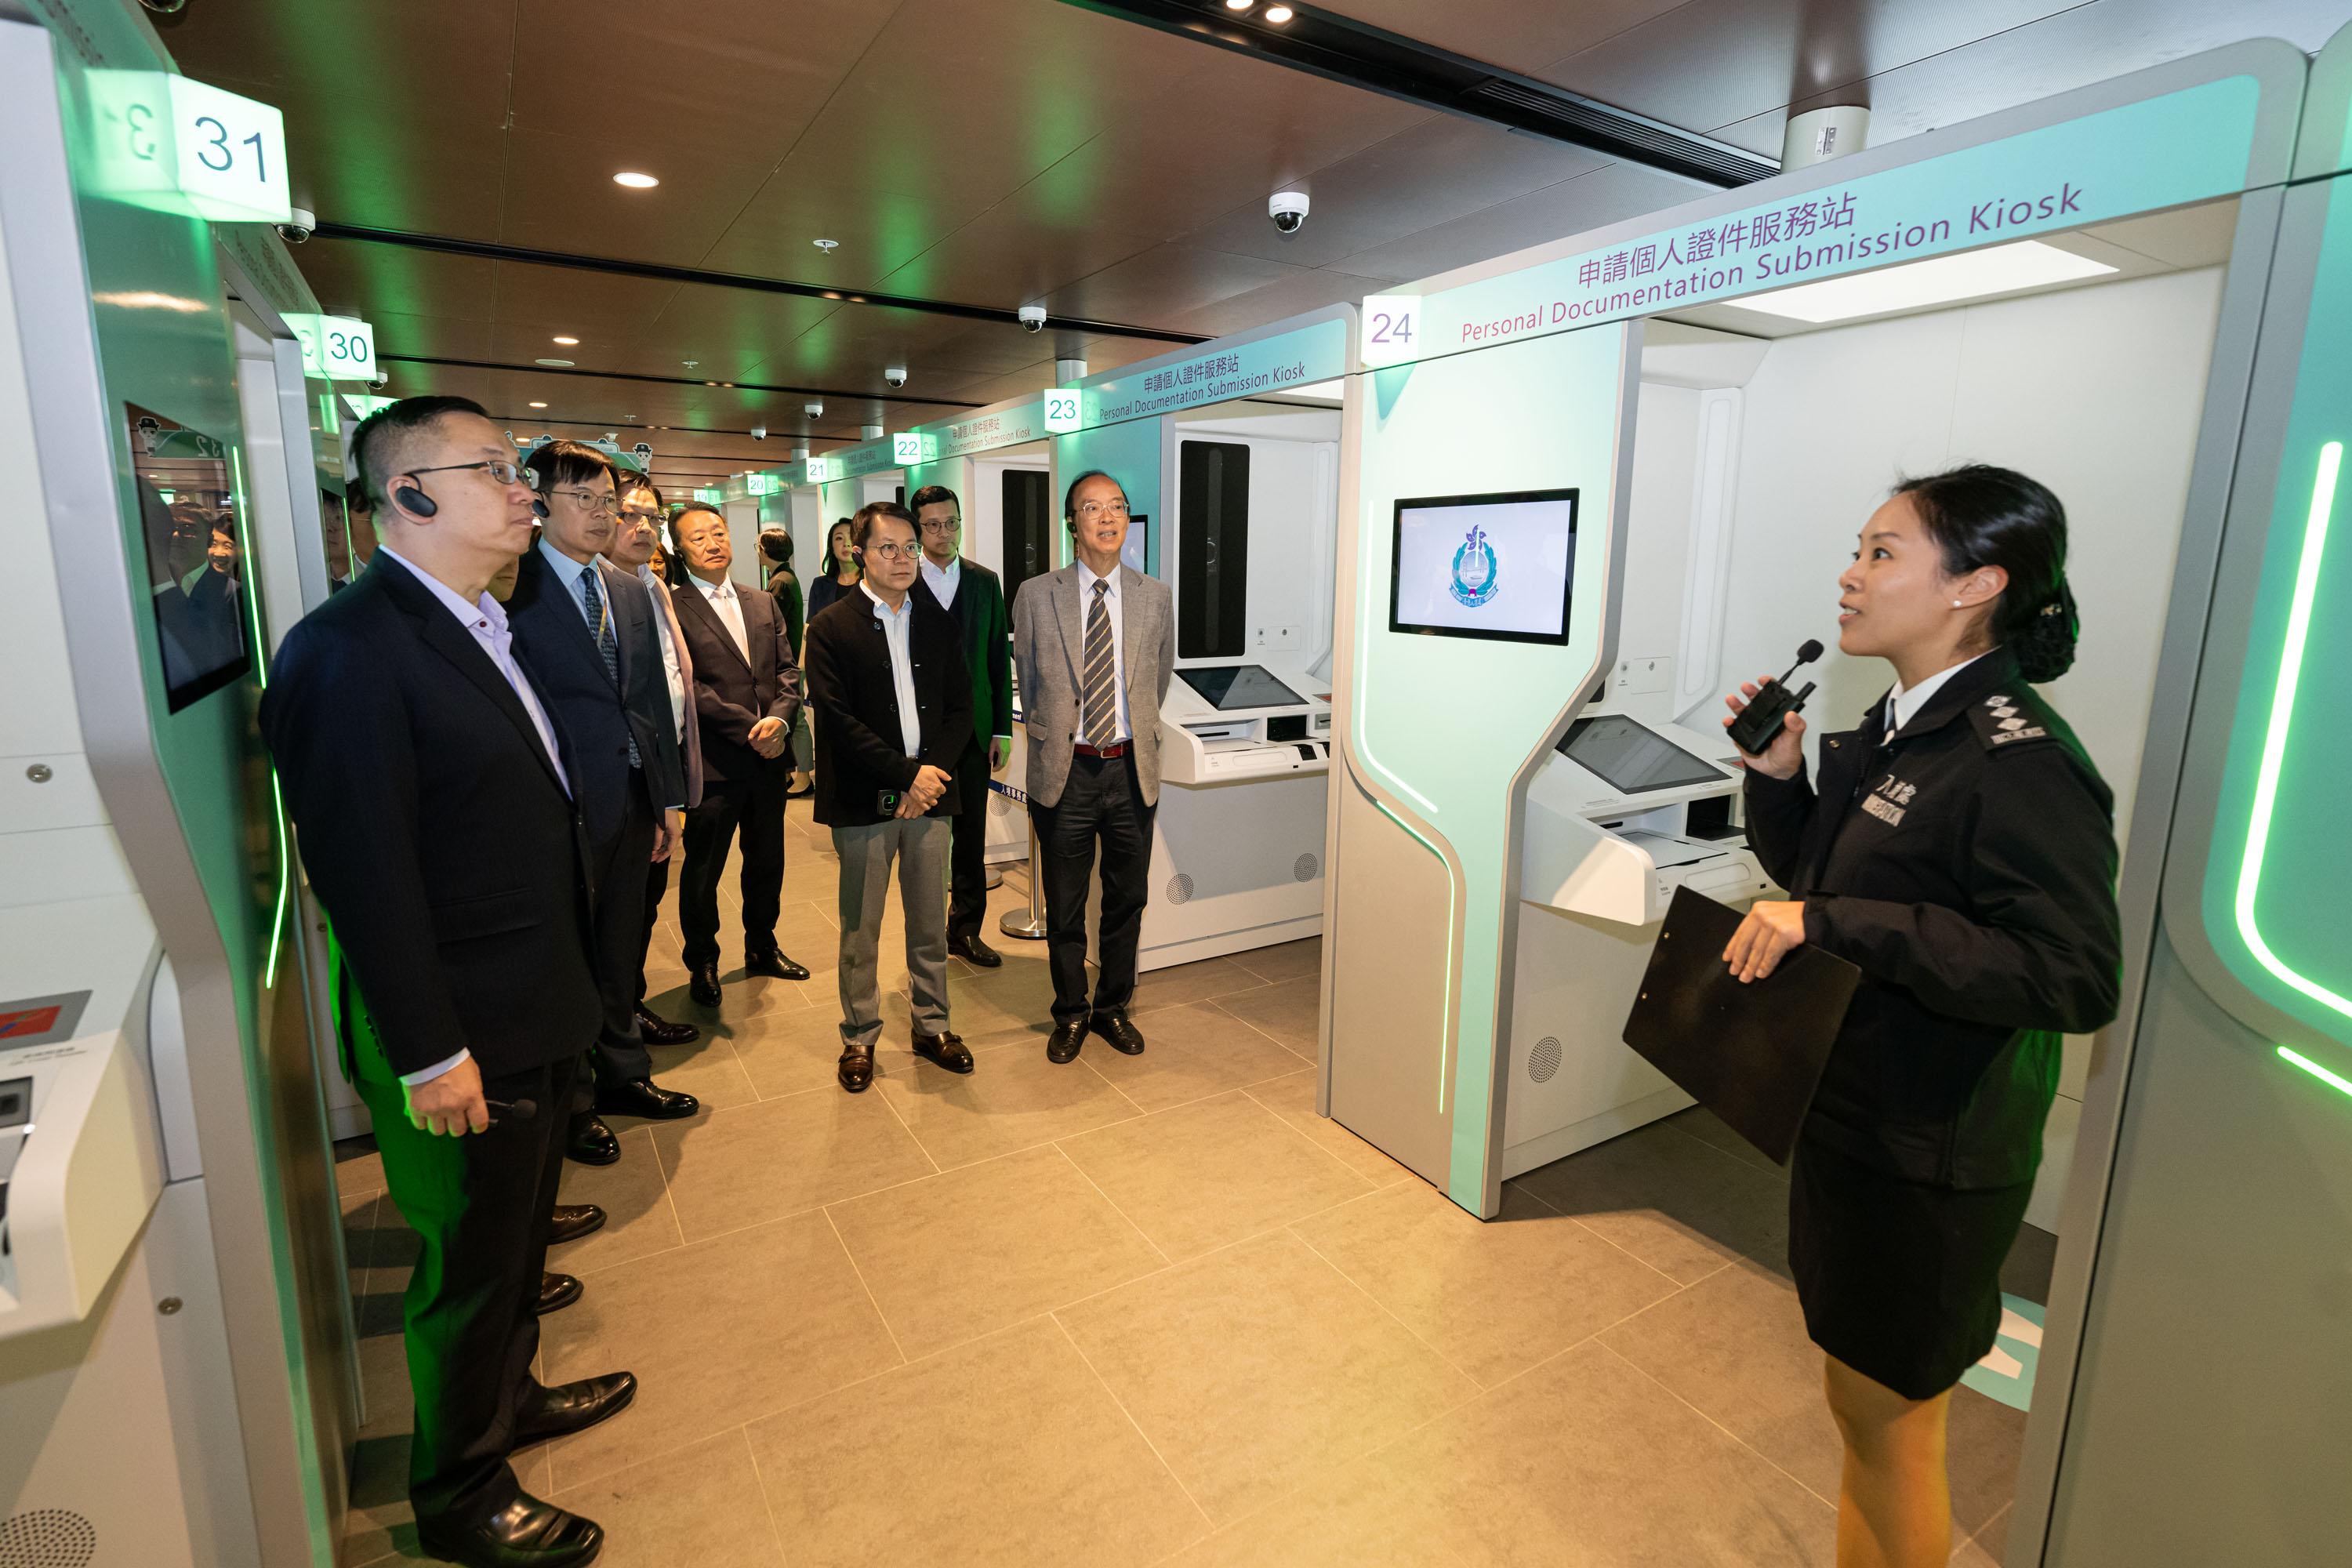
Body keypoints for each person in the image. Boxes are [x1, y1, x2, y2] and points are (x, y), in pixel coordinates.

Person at [1720, 465, 2122, 1568]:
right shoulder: (1897, 728)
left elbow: (2074, 974)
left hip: (1930, 1155)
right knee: (1860, 1410)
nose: (1851, 576)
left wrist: (1838, 924)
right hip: (1854, 1119)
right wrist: (1777, 776)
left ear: (1975, 584)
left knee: (1895, 1431)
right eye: (1858, 549)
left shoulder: (2016, 761)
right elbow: (1821, 879)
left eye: (1883, 553)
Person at [259, 395, 626, 1568]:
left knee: (517, 1246)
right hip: (467, 1023)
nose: (526, 490)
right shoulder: (351, 651)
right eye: (495, 470)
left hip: (534, 994)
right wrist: (429, 1051)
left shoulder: (475, 618)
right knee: (467, 1268)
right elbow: (365, 878)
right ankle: (460, 1493)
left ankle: (507, 1402)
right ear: (408, 493)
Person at [510, 442, 697, 1169]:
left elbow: (648, 697)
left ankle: (625, 1075)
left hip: (633, 799)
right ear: (540, 502)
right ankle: (575, 1105)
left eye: (607, 500)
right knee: (566, 962)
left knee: (621, 949)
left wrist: (668, 798)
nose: (601, 514)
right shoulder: (510, 589)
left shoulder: (626, 587)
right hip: (558, 808)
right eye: (582, 499)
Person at [804, 501, 975, 1091]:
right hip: (863, 798)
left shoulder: (938, 623)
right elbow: (837, 720)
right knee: (862, 926)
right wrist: (906, 776)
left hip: (930, 800)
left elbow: (960, 710)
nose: (902, 559)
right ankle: (859, 1034)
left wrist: (928, 777)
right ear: (858, 551)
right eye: (887, 548)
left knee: (930, 922)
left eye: (909, 546)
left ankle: (932, 1025)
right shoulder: (829, 627)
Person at [1010, 470, 1174, 1064]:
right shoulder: (1036, 594)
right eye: (1092, 509)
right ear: (1071, 524)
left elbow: (1157, 677)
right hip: (1067, 772)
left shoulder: (1155, 595)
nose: (1107, 519)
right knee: (1067, 901)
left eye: (1117, 508)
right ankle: (1071, 1012)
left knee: (1127, 899)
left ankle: (1112, 1008)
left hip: (1131, 770)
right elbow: (1028, 680)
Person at [666, 502, 811, 1004]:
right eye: (698, 537)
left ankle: (762, 947)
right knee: (704, 871)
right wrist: (754, 726)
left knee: (767, 861)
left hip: (769, 761)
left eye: (719, 532)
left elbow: (787, 672)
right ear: (679, 549)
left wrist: (781, 718)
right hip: (716, 764)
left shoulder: (761, 600)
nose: (712, 542)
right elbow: (690, 687)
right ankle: (702, 962)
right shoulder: (672, 604)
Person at [605, 474, 704, 1050]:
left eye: (651, 517)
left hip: (657, 775)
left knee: (642, 906)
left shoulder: (652, 588)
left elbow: (671, 686)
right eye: (627, 514)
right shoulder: (596, 594)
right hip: (621, 783)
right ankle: (617, 1025)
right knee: (621, 914)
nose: (642, 527)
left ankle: (629, 1008)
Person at [909, 483, 1014, 967]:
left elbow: (997, 655)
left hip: (973, 733)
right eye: (933, 524)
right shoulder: (902, 579)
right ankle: (924, 936)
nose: (944, 532)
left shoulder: (983, 580)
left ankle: (965, 930)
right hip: (918, 734)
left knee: (970, 839)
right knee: (923, 842)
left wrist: (1002, 729)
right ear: (917, 528)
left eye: (951, 522)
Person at [758, 526, 816, 797]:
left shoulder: (780, 581)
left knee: (796, 719)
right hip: (791, 659)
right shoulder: (785, 576)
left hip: (788, 661)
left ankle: (804, 776)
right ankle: (798, 774)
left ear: (764, 550)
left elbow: (771, 627)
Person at [804, 516, 860, 624]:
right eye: (839, 538)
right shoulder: (819, 585)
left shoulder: (873, 583)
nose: (846, 543)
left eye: (851, 537)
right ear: (831, 547)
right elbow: (811, 627)